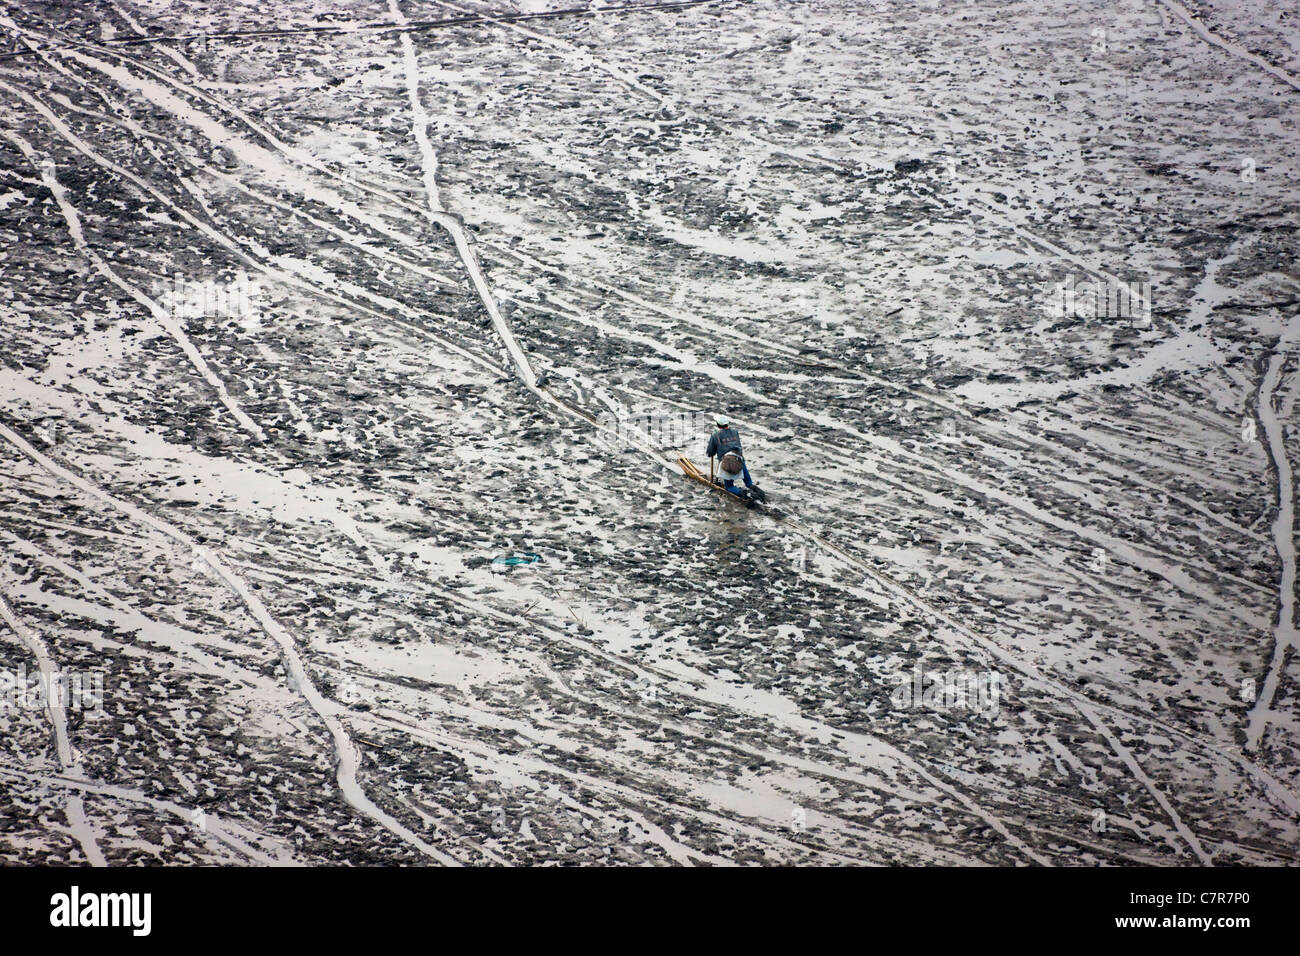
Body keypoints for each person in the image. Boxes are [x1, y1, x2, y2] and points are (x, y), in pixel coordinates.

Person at [705, 414, 755, 498]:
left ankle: (743, 494)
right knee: (749, 483)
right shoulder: (735, 431)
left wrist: (711, 452)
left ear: (717, 425)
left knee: (729, 487)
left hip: (727, 463)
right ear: (727, 424)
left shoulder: (715, 435)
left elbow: (710, 452)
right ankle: (752, 488)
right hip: (739, 459)